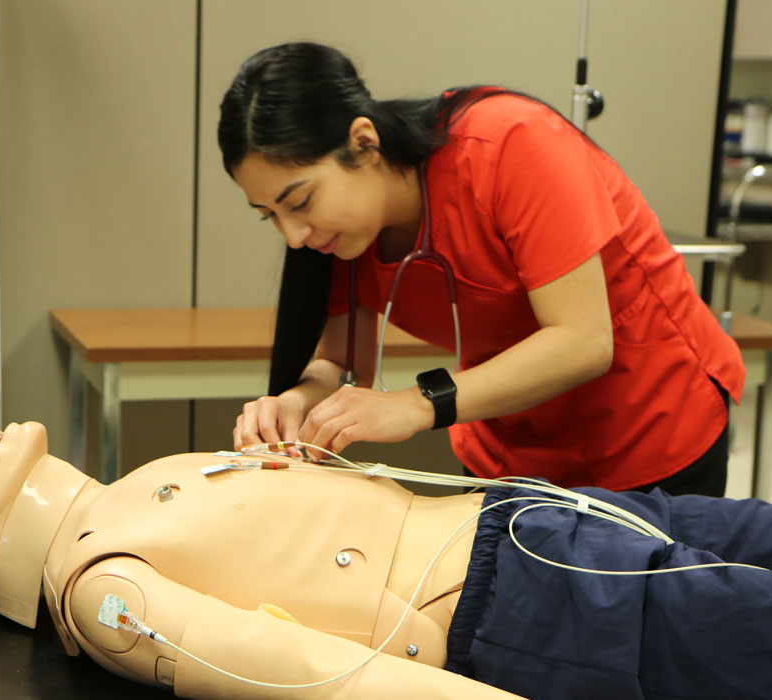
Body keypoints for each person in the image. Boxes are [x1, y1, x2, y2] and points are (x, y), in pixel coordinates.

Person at [0, 413, 772, 700]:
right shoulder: (98, 592)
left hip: (541, 519)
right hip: (533, 602)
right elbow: (325, 679)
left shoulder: (119, 493)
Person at [218, 42, 745, 496]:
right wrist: (293, 402)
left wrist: (419, 403)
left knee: (635, 610)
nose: (294, 235)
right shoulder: (339, 240)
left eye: (301, 201)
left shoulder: (510, 144)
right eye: (270, 216)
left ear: (364, 142)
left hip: (649, 426)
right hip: (510, 453)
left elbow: (584, 341)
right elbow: (342, 363)